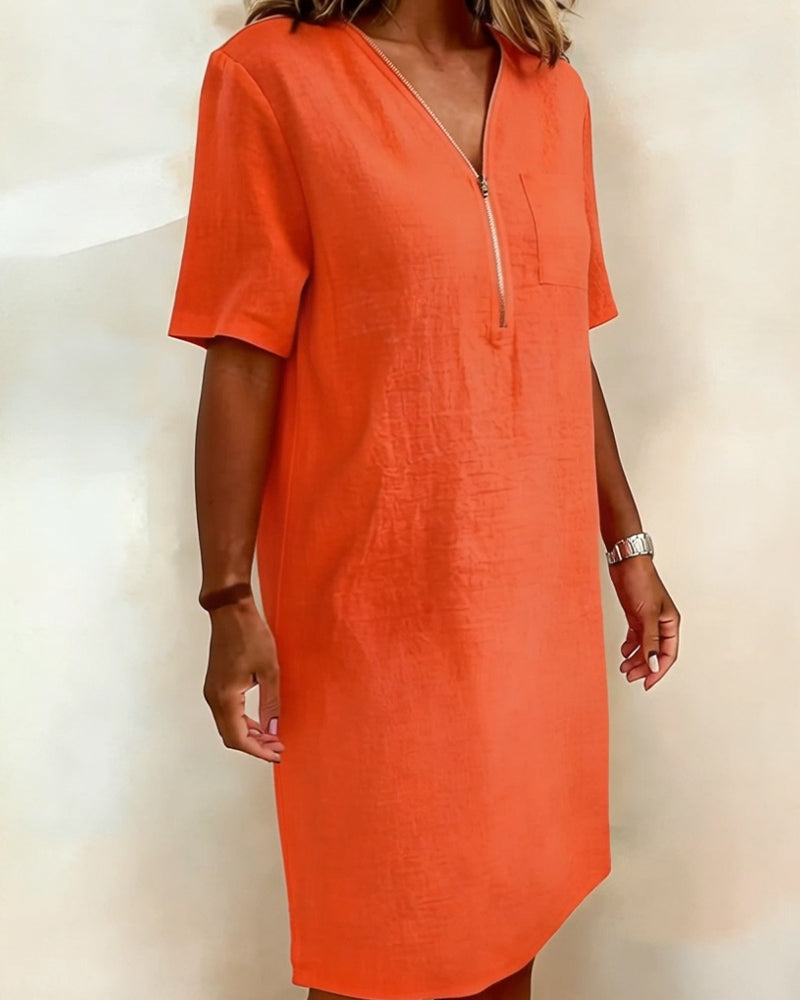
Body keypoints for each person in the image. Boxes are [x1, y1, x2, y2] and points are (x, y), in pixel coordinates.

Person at [165, 0, 681, 998]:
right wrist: (227, 597)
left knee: (508, 931)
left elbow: (557, 342)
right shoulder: (269, 76)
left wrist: (630, 547)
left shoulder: (550, 91)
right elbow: (242, 348)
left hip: (530, 614)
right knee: (383, 941)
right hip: (372, 611)